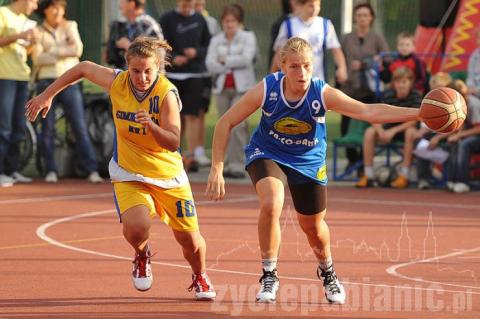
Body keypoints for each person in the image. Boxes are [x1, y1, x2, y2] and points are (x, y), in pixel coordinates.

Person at [205, 37, 420, 304]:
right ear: (282, 67)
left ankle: (328, 271)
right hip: (267, 151)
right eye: (294, 66)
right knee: (272, 202)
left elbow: (368, 111)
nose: (302, 73)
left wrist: (418, 113)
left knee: (312, 226)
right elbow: (225, 122)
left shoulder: (321, 92)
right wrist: (217, 167)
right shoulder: (268, 88)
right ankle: (269, 273)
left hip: (308, 159)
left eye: (307, 65)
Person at [25, 37, 216, 300]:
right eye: (135, 71)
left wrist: (152, 126)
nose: (142, 77)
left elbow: (173, 142)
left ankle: (200, 274)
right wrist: (47, 95)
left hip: (168, 175)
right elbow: (82, 67)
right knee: (136, 228)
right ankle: (141, 254)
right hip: (128, 172)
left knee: (190, 242)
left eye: (148, 70)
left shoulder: (166, 93)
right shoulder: (118, 82)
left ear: (158, 67)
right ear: (127, 68)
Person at [32, 0, 102, 183]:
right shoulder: (37, 31)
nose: (57, 11)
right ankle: (50, 170)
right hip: (46, 82)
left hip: (70, 83)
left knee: (79, 126)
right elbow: (38, 58)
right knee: (47, 128)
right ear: (45, 10)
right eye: (53, 7)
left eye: (60, 7)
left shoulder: (71, 25)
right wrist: (64, 49)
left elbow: (77, 49)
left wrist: (52, 51)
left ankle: (91, 170)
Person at [205, 4, 257, 178]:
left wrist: (224, 60)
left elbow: (247, 59)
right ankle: (224, 163)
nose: (229, 24)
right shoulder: (216, 40)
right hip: (221, 88)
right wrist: (229, 61)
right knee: (223, 126)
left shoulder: (248, 37)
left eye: (233, 21)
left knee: (238, 125)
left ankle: (238, 163)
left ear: (239, 22)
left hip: (242, 89)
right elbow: (210, 63)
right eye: (226, 21)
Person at [160, 0, 211, 171]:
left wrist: (196, 52)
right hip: (173, 74)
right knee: (174, 116)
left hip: (194, 74)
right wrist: (173, 58)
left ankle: (192, 155)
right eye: (184, 2)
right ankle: (174, 154)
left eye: (190, 2)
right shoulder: (167, 19)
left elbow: (207, 45)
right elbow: (161, 44)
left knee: (192, 115)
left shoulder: (200, 19)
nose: (187, 5)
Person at [340, 2, 389, 174]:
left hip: (369, 89)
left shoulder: (377, 38)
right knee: (346, 125)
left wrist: (367, 63)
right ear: (355, 18)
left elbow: (386, 58)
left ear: (371, 18)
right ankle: (351, 160)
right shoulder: (347, 38)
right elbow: (340, 59)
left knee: (367, 125)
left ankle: (362, 163)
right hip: (350, 88)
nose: (362, 19)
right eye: (359, 15)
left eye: (365, 15)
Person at [356, 67, 422, 188]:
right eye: (398, 82)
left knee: (410, 132)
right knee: (370, 132)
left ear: (410, 83)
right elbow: (375, 115)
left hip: (404, 130)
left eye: (404, 82)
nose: (401, 85)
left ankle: (404, 175)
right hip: (388, 129)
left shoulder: (416, 96)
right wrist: (380, 131)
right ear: (393, 83)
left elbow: (414, 120)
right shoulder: (388, 95)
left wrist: (393, 131)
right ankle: (368, 174)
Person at [0, 0, 38, 187]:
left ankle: (11, 170)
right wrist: (18, 36)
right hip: (4, 76)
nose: (36, 6)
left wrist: (32, 42)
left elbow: (27, 52)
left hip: (22, 76)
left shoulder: (26, 20)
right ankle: (1, 172)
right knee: (3, 126)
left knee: (18, 126)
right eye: (35, 1)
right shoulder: (3, 14)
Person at [270, 0, 347, 84]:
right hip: (293, 81)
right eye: (311, 6)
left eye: (318, 6)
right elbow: (279, 53)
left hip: (318, 79)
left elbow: (336, 50)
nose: (315, 9)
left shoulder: (325, 24)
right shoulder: (288, 25)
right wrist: (273, 76)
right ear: (302, 5)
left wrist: (342, 68)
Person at [106, 0, 163, 70]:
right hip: (127, 76)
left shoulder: (148, 25)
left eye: (122, 2)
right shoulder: (124, 25)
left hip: (145, 78)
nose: (120, 6)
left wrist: (129, 46)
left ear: (132, 4)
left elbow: (159, 54)